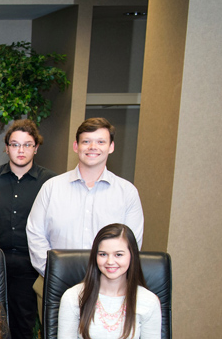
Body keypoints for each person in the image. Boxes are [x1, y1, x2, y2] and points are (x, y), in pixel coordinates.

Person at [26, 117, 144, 277]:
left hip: (109, 283)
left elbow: (132, 243)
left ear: (111, 147)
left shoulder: (127, 192)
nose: (93, 147)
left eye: (101, 142)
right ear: (76, 146)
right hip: (55, 282)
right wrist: (55, 273)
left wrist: (107, 276)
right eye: (86, 141)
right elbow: (35, 234)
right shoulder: (51, 187)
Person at [0, 119, 56, 339]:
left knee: (23, 324)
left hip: (30, 264)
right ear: (6, 147)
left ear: (36, 148)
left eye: (27, 145)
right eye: (15, 144)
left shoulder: (51, 183)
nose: (20, 150)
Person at [57, 223, 161, 339]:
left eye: (118, 254)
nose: (110, 261)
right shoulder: (73, 297)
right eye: (103, 254)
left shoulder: (149, 301)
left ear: (132, 255)